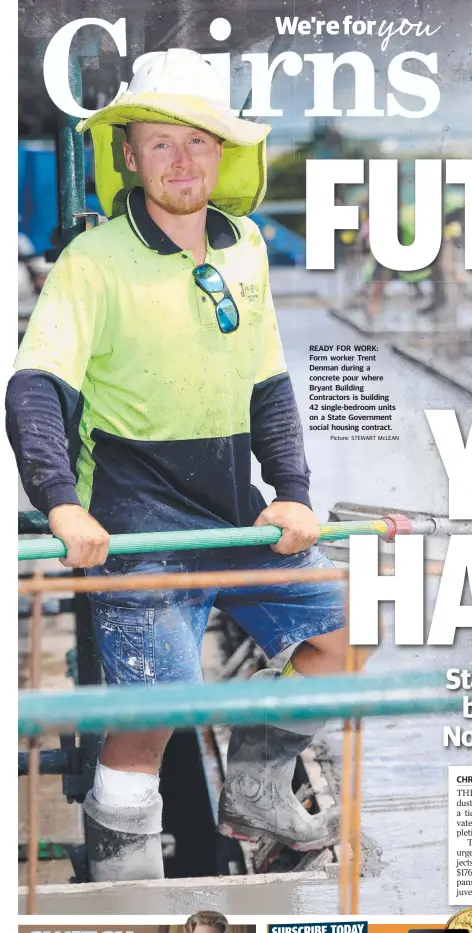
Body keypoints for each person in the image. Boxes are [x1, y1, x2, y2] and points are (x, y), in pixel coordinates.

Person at [7, 49, 345, 881]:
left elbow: (269, 382)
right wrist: (62, 506)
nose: (182, 159)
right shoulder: (93, 261)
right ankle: (127, 889)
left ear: (222, 152)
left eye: (197, 141)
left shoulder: (248, 249)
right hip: (138, 531)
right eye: (161, 143)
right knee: (152, 716)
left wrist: (293, 491)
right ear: (129, 154)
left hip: (235, 516)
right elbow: (33, 388)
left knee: (344, 630)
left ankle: (258, 786)